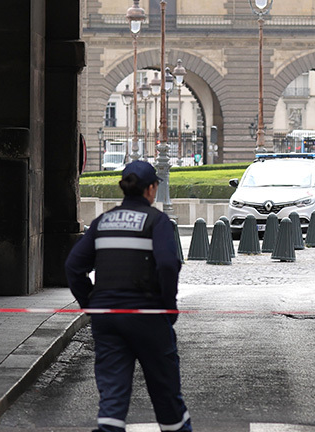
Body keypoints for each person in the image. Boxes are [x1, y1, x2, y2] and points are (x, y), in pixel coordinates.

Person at [65, 160, 191, 432]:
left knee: (112, 392)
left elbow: (73, 266)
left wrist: (91, 304)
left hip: (107, 318)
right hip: (148, 315)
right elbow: (169, 264)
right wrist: (168, 308)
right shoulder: (157, 222)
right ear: (151, 189)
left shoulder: (103, 222)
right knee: (165, 389)